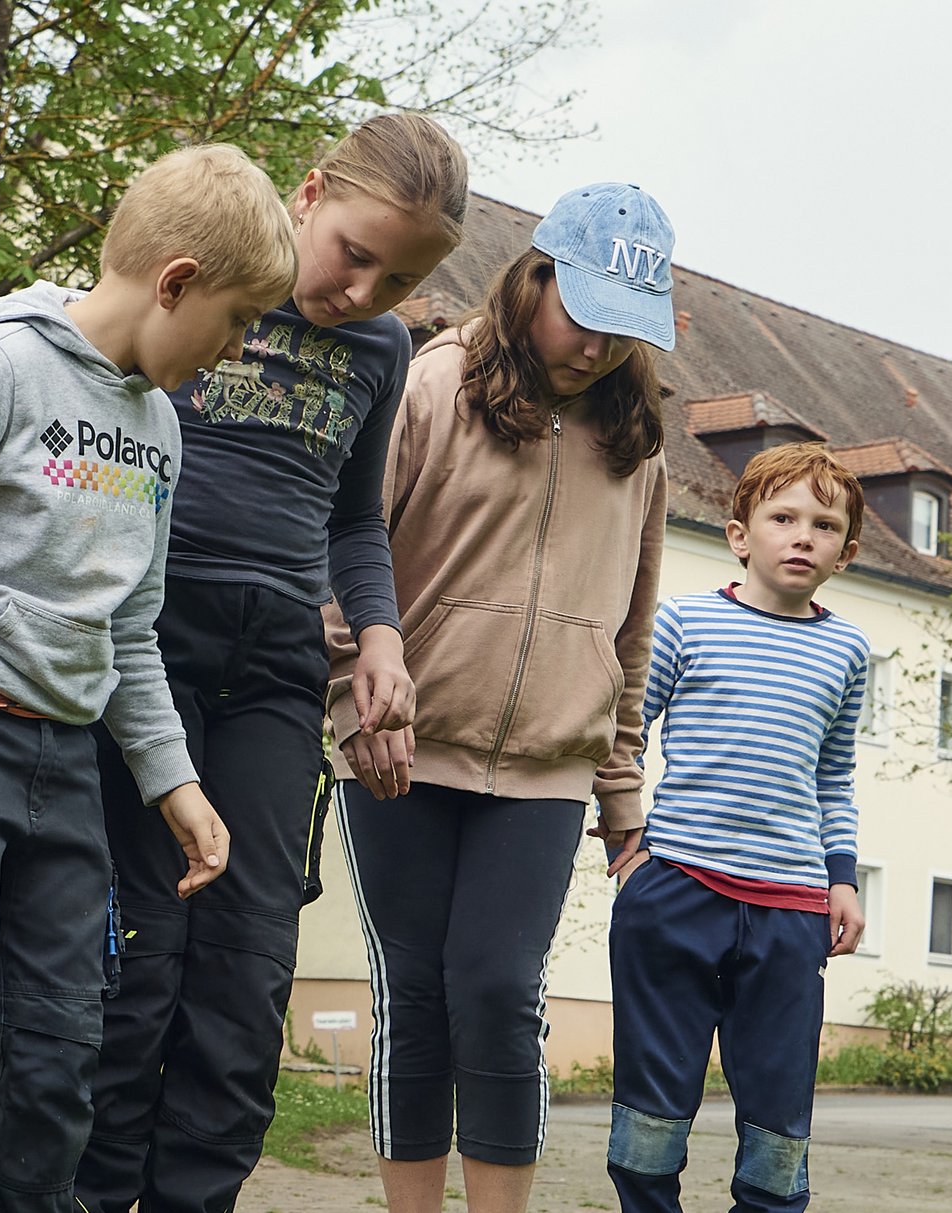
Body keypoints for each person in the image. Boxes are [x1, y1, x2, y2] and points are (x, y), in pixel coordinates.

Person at [0, 142, 291, 1213]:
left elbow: (131, 629)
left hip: (64, 764)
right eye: (236, 321)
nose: (237, 349)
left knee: (61, 1052)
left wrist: (177, 786)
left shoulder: (159, 428)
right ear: (175, 282)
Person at [77, 112, 469, 1213]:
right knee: (142, 958)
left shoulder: (381, 350)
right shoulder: (187, 294)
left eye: (396, 280)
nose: (361, 291)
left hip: (278, 671)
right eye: (354, 253)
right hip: (146, 648)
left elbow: (355, 519)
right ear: (307, 194)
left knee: (245, 973)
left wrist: (380, 631)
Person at [329, 182, 677, 1213]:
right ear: (536, 278)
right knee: (418, 994)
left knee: (497, 988)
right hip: (404, 744)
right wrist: (355, 705)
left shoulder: (637, 442)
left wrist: (622, 799)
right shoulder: (431, 385)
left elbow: (632, 625)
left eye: (624, 331)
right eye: (583, 316)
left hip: (546, 767)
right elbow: (348, 558)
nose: (597, 348)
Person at [605, 443, 870, 1213]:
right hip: (675, 890)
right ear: (739, 534)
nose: (802, 536)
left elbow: (834, 775)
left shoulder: (848, 649)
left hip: (792, 907)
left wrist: (843, 876)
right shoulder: (683, 622)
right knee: (654, 1101)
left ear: (846, 552)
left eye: (823, 525)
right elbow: (625, 731)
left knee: (780, 1110)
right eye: (782, 517)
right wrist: (628, 839)